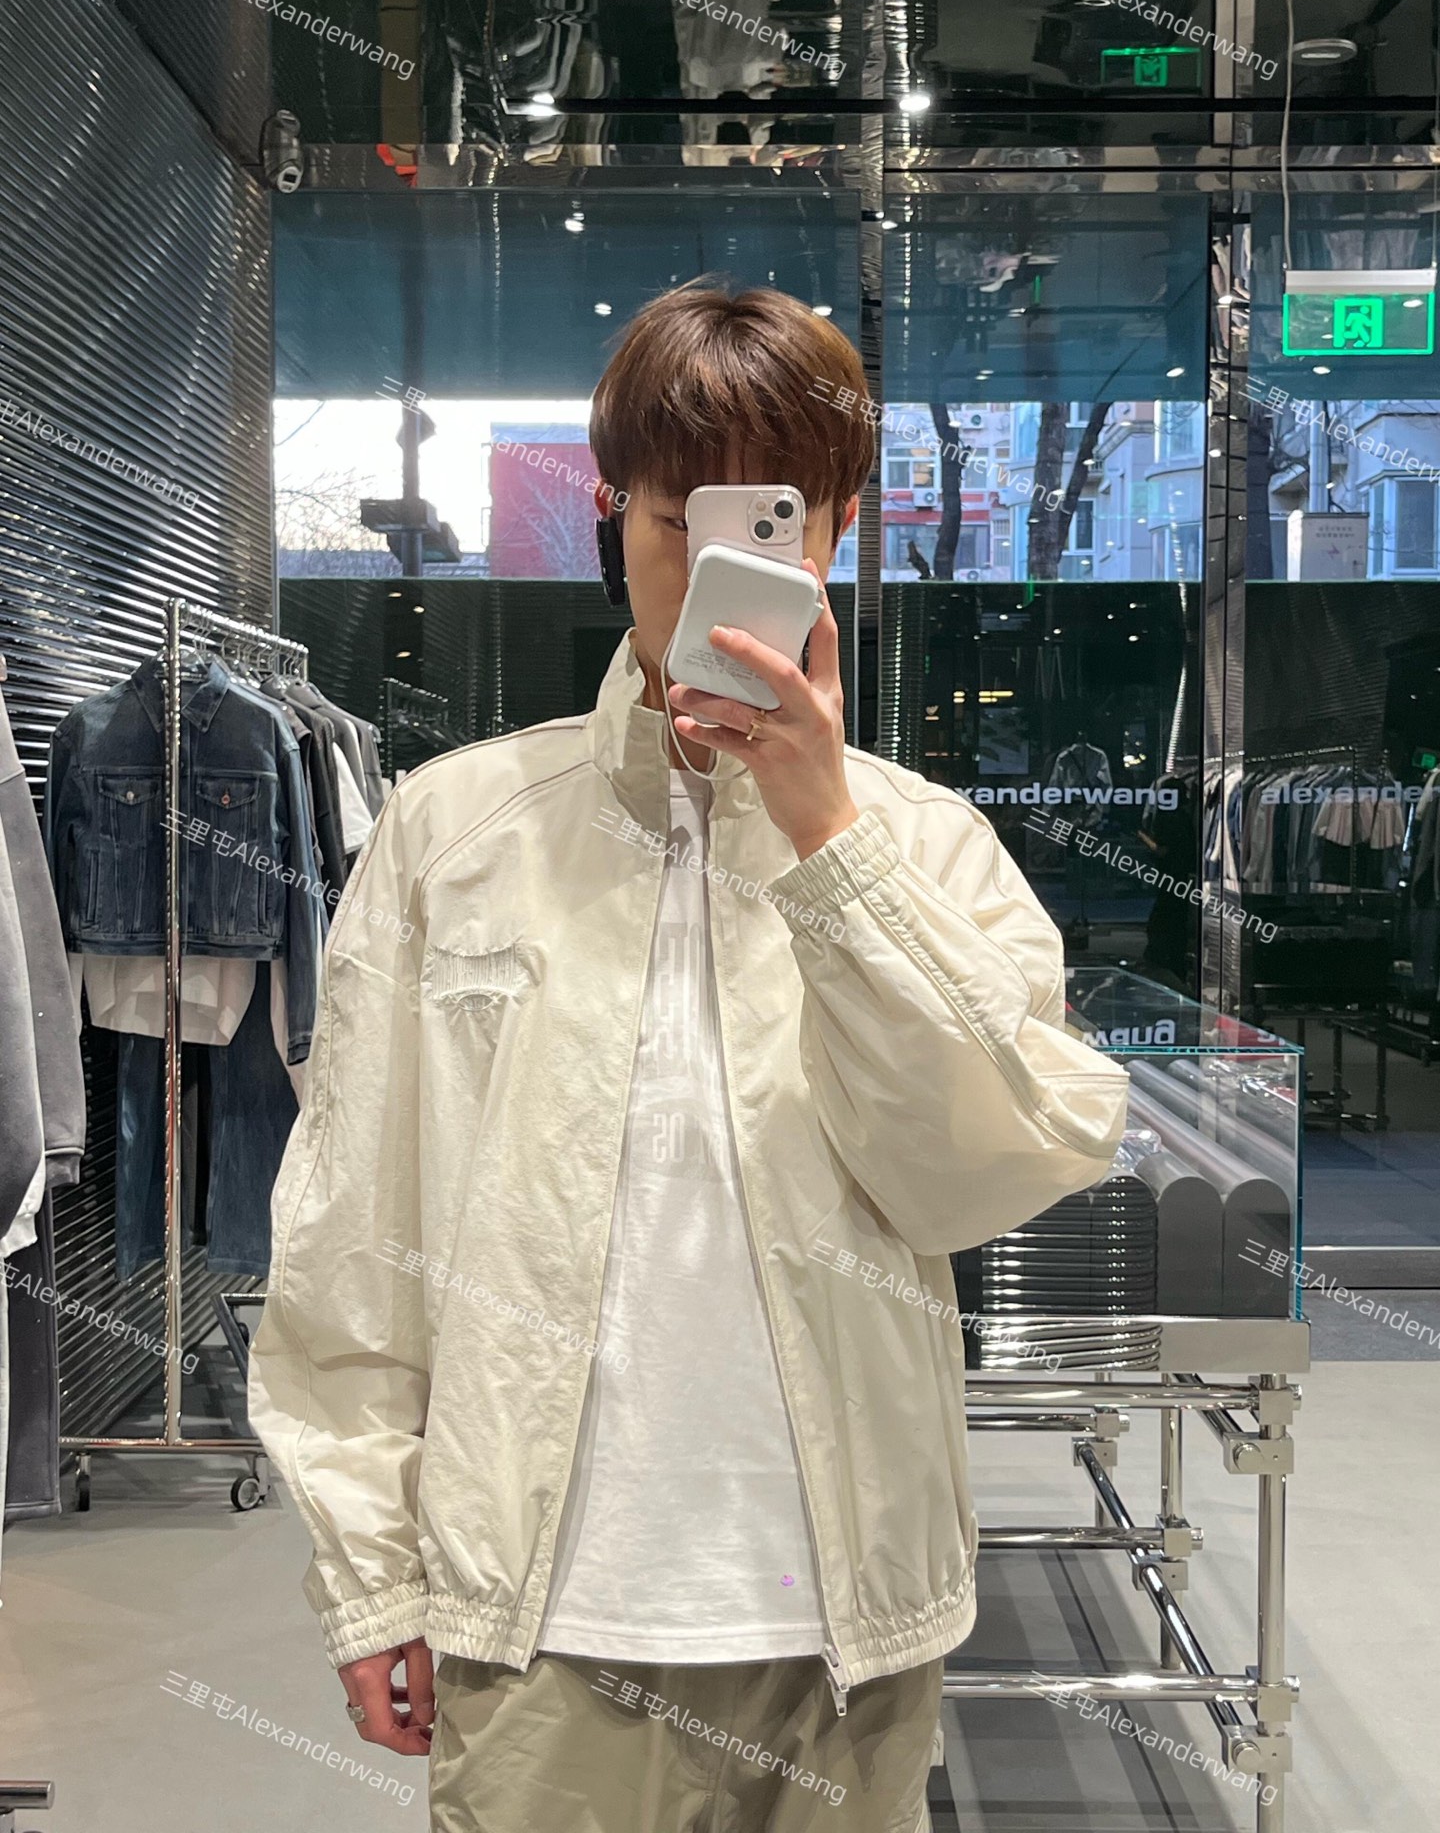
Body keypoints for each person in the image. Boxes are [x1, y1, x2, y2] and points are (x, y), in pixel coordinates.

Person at [247, 281, 1130, 1832]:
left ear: (834, 533)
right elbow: (350, 1234)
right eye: (683, 522)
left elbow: (980, 1172)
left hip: (844, 1631)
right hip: (539, 1620)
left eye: (774, 526)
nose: (723, 573)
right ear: (614, 517)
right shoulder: (454, 833)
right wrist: (370, 1571)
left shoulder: (924, 846)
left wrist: (827, 843)